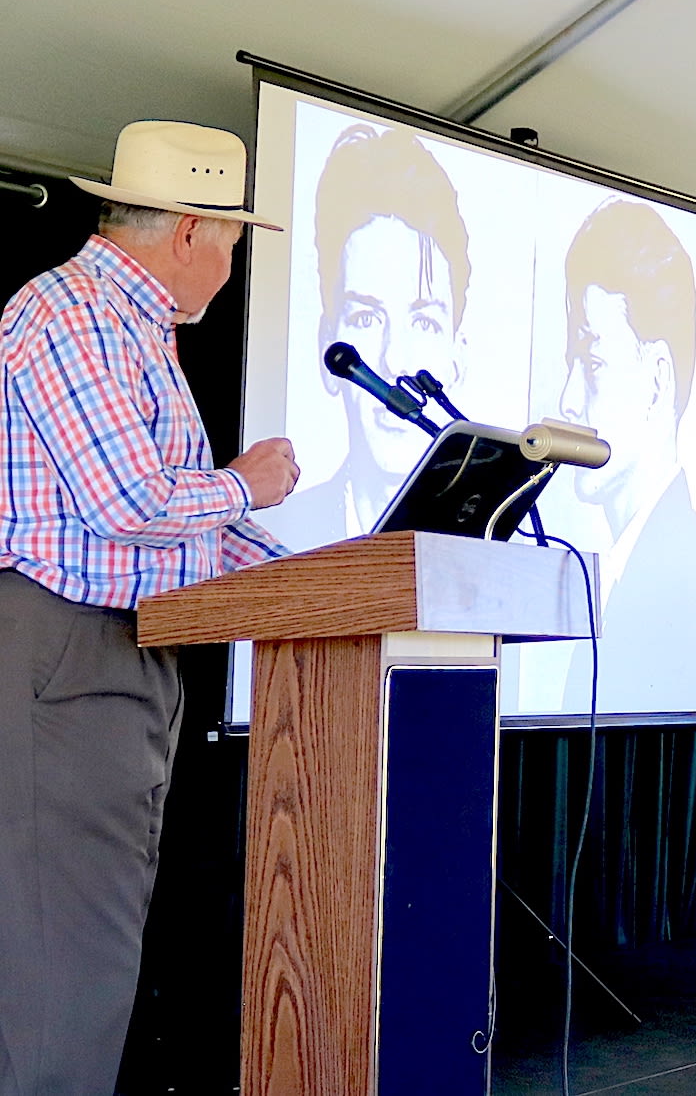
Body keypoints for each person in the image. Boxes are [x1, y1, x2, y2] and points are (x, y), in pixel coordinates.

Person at [0, 120, 298, 1094]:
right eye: (231, 246)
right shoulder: (74, 314)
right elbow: (128, 502)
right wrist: (246, 484)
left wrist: (335, 569)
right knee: (67, 956)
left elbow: (177, 516)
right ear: (189, 233)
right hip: (67, 651)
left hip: (117, 658)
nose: (225, 270)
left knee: (85, 941)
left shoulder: (131, 329)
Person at [280, 125, 473, 543]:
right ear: (325, 350)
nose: (394, 360)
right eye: (367, 319)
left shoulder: (494, 539)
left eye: (423, 322)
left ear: (458, 355)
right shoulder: (276, 540)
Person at [557, 198, 696, 707]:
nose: (567, 400)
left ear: (658, 381)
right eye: (570, 360)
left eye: (593, 363)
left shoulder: (681, 575)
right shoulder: (632, 567)